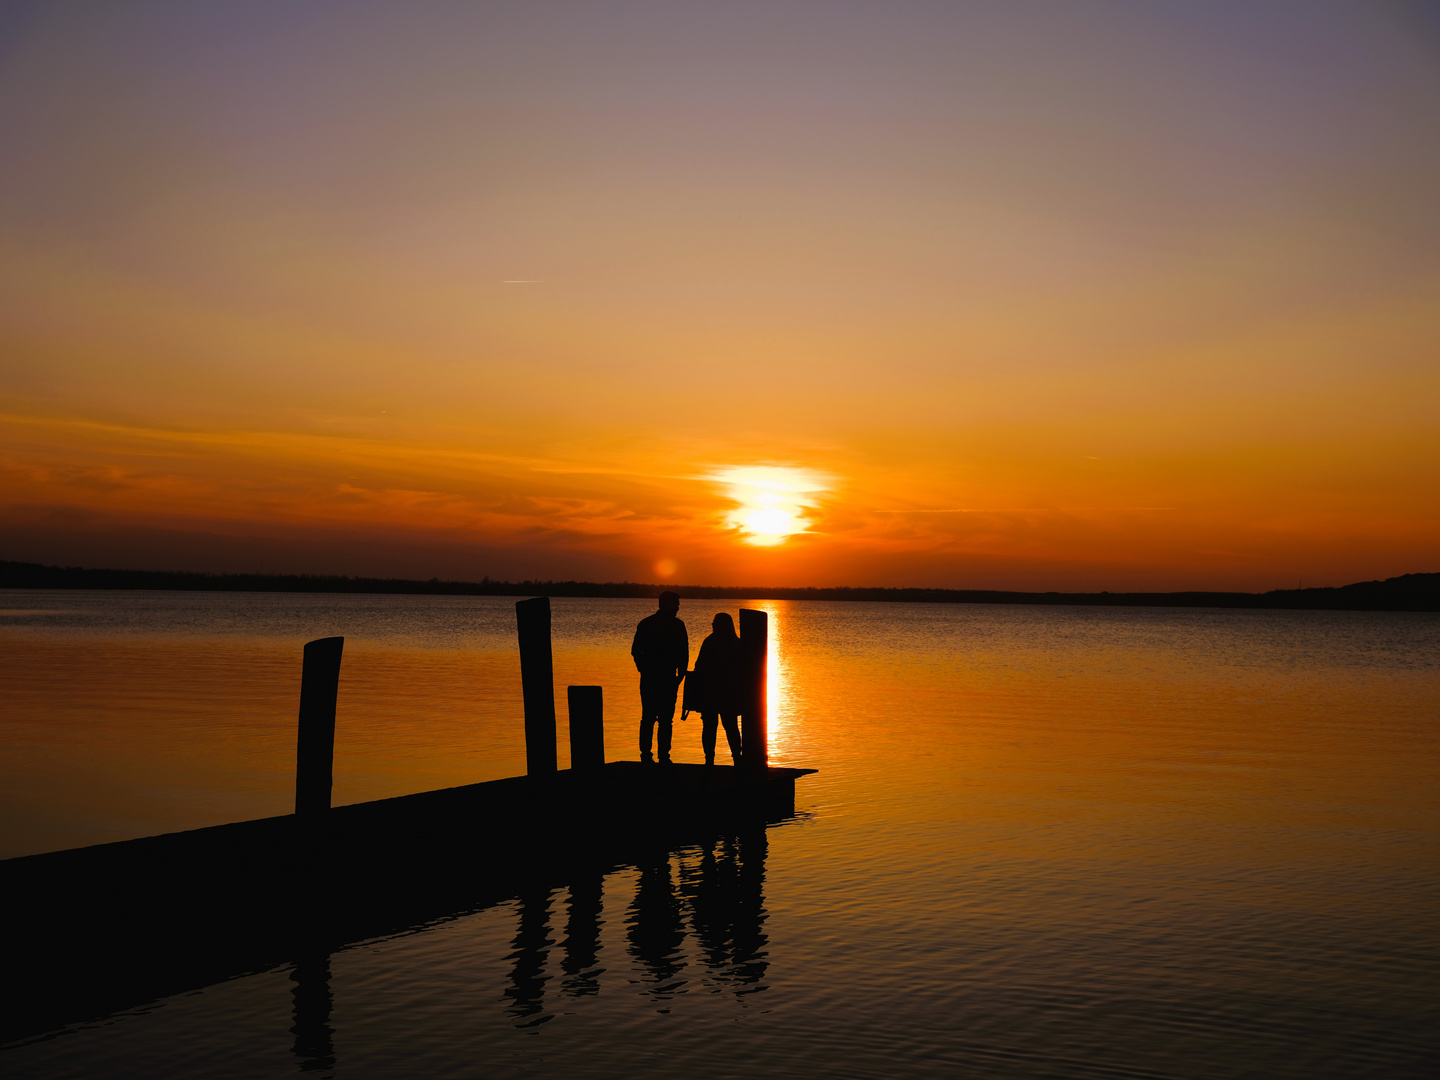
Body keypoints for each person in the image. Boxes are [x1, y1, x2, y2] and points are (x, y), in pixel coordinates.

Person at [631, 591, 688, 764]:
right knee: (657, 719)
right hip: (659, 677)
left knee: (655, 719)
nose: (678, 607)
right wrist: (680, 674)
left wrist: (681, 674)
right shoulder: (671, 625)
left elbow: (683, 653)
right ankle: (655, 755)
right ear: (667, 604)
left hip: (662, 677)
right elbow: (636, 651)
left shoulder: (649, 623)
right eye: (675, 604)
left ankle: (654, 755)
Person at [687, 612, 743, 767]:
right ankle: (737, 758)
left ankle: (710, 759)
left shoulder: (711, 642)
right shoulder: (737, 643)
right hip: (727, 693)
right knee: (730, 726)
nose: (712, 625)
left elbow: (699, 666)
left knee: (711, 727)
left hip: (712, 692)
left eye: (715, 622)